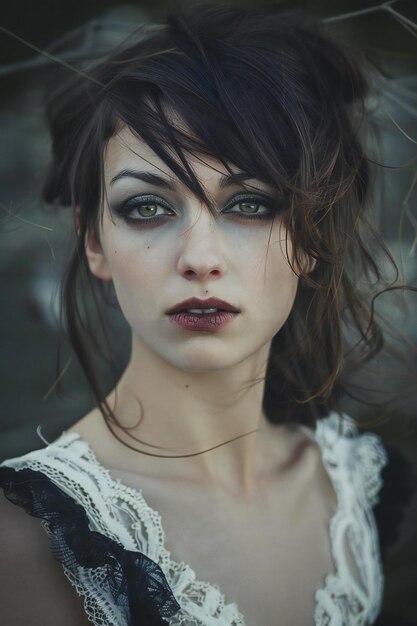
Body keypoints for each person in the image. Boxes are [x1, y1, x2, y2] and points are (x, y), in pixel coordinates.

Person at [0, 2, 414, 625]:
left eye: (249, 203)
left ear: (312, 236)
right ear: (94, 243)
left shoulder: (356, 479)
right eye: (146, 208)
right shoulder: (26, 540)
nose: (199, 258)